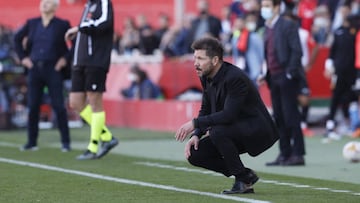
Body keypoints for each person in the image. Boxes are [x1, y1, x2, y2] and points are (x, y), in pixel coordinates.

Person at [175, 37, 279, 194]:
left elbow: (229, 115)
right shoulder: (205, 75)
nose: (196, 63)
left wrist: (195, 123)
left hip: (257, 131)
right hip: (234, 130)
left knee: (218, 131)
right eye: (195, 57)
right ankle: (244, 175)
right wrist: (197, 134)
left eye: (201, 58)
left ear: (215, 60)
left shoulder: (234, 78)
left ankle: (242, 180)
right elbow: (206, 107)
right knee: (195, 153)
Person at [13, 0, 71, 152]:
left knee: (59, 106)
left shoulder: (62, 24)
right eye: (43, 2)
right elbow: (16, 39)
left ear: (55, 7)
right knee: (33, 106)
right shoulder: (32, 23)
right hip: (35, 69)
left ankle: (66, 142)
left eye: (48, 2)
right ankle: (31, 142)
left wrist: (64, 59)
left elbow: (76, 43)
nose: (44, 4)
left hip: (53, 69)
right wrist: (23, 58)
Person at [65, 0, 118, 160]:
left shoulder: (103, 2)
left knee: (95, 102)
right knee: (75, 102)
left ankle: (93, 147)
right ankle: (107, 137)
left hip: (95, 61)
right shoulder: (88, 5)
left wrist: (79, 28)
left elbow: (104, 23)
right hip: (80, 61)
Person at [258, 0, 306, 166]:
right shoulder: (267, 28)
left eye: (267, 6)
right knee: (278, 116)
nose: (264, 9)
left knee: (291, 115)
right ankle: (284, 153)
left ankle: (298, 153)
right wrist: (264, 73)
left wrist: (290, 74)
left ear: (277, 7)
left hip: (286, 76)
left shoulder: (287, 25)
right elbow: (267, 54)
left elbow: (297, 51)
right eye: (263, 6)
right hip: (273, 77)